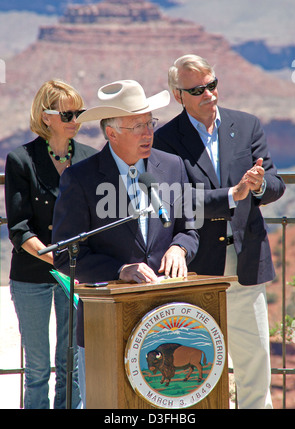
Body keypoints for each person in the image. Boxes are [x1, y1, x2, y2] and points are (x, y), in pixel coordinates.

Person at [51, 79, 199, 407]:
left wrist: (180, 248)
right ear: (112, 133)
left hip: (165, 323)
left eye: (150, 123)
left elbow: (188, 229)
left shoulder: (172, 167)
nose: (148, 133)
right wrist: (120, 269)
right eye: (137, 126)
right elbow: (64, 253)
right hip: (105, 324)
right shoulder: (81, 179)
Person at [153, 54, 286, 409]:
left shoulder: (246, 125)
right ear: (178, 95)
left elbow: (275, 183)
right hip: (195, 266)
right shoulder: (165, 139)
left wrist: (258, 186)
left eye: (212, 84)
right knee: (198, 361)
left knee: (255, 360)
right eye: (197, 89)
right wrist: (231, 195)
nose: (209, 94)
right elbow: (176, 199)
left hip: (245, 261)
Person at [5, 79, 98, 409]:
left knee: (71, 366)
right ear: (46, 117)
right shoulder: (22, 160)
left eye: (79, 113)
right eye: (67, 113)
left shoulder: (90, 158)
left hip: (74, 278)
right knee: (38, 369)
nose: (75, 120)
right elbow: (19, 229)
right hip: (33, 277)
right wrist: (56, 260)